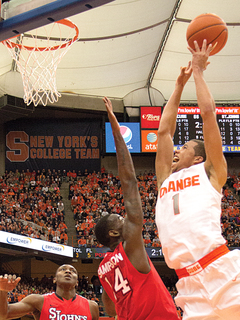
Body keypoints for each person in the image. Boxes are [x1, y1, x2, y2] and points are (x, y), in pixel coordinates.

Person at [155, 39, 240, 320]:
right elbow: (164, 132)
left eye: (186, 148)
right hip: (188, 284)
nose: (178, 150)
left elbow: (207, 115)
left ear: (198, 158)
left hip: (222, 271)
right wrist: (178, 86)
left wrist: (199, 73)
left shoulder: (211, 172)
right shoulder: (165, 178)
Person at [94, 97, 179, 320]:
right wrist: (115, 129)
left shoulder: (102, 269)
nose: (125, 217)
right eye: (119, 219)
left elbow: (110, 308)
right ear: (114, 233)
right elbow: (129, 180)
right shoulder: (129, 242)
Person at [0, 264, 99, 320]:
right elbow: (4, 314)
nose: (68, 271)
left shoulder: (91, 306)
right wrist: (3, 291)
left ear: (77, 282)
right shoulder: (38, 300)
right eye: (63, 269)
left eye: (73, 271)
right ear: (54, 279)